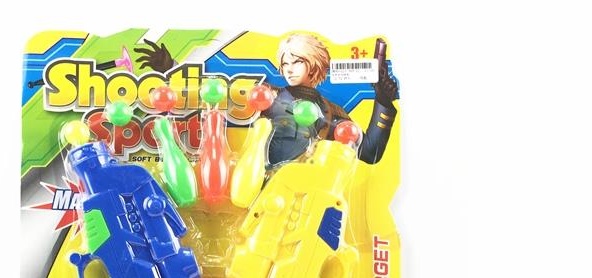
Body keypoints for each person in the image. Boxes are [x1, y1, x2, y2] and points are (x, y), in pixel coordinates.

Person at [135, 34, 398, 167]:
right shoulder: (267, 94)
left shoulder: (328, 112)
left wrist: (383, 102)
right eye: (285, 63)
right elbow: (214, 92)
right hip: (253, 179)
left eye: (298, 62)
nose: (289, 69)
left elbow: (369, 153)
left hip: (298, 189)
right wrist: (172, 68)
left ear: (315, 65)